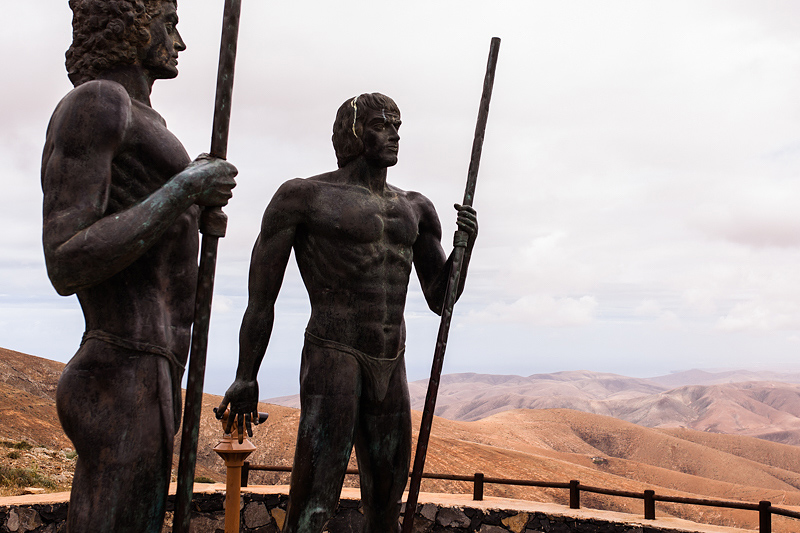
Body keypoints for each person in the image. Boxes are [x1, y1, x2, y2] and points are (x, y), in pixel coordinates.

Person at [217, 93, 477, 532]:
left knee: (387, 500)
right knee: (316, 497)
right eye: (382, 125)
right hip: (333, 355)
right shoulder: (304, 197)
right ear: (355, 132)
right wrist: (247, 374)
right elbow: (262, 298)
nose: (395, 135)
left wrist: (464, 248)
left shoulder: (415, 208)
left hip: (390, 360)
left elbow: (441, 298)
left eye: (398, 126)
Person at [41, 1, 237, 532]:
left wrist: (192, 204)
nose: (180, 41)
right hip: (119, 368)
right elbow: (66, 258)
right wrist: (184, 191)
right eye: (168, 23)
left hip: (153, 371)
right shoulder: (98, 102)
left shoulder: (144, 119)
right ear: (131, 27)